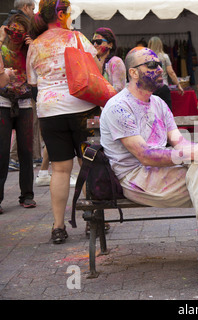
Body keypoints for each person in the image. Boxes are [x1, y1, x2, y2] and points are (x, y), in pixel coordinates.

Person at [100, 46, 198, 279]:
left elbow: (179, 143)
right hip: (136, 179)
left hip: (163, 174)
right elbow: (145, 156)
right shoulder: (119, 107)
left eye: (159, 63)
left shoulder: (159, 104)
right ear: (133, 73)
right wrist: (193, 154)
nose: (159, 68)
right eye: (151, 65)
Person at [27, 0, 101, 243]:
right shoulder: (76, 38)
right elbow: (96, 67)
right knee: (87, 163)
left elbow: (33, 80)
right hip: (82, 108)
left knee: (59, 168)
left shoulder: (35, 45)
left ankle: (58, 226)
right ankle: (94, 220)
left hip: (49, 111)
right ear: (61, 15)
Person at [0, 14, 36, 214]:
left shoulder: (28, 50)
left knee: (26, 152)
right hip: (2, 103)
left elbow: (37, 72)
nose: (16, 35)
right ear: (7, 30)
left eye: (20, 32)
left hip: (23, 104)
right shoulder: (1, 48)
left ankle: (27, 194)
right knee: (2, 152)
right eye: (12, 30)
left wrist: (33, 48)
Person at [148, 36, 184, 109]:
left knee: (152, 110)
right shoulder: (164, 57)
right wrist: (178, 85)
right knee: (166, 110)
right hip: (163, 86)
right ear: (160, 45)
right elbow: (171, 72)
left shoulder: (146, 57)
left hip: (150, 87)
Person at [92, 27, 126, 93]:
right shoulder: (95, 61)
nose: (95, 45)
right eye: (93, 42)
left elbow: (118, 89)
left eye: (99, 42)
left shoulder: (116, 62)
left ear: (110, 44)